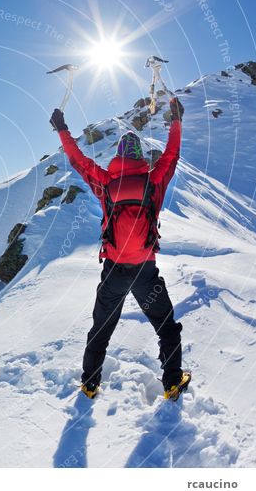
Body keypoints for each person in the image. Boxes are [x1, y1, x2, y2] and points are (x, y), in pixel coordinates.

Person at [49, 97, 191, 401]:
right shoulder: (154, 180)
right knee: (167, 328)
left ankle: (89, 384)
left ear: (118, 155)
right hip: (145, 272)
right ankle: (173, 382)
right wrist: (176, 120)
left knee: (101, 329)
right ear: (140, 154)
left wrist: (62, 129)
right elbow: (172, 154)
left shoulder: (105, 181)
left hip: (113, 270)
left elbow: (77, 160)